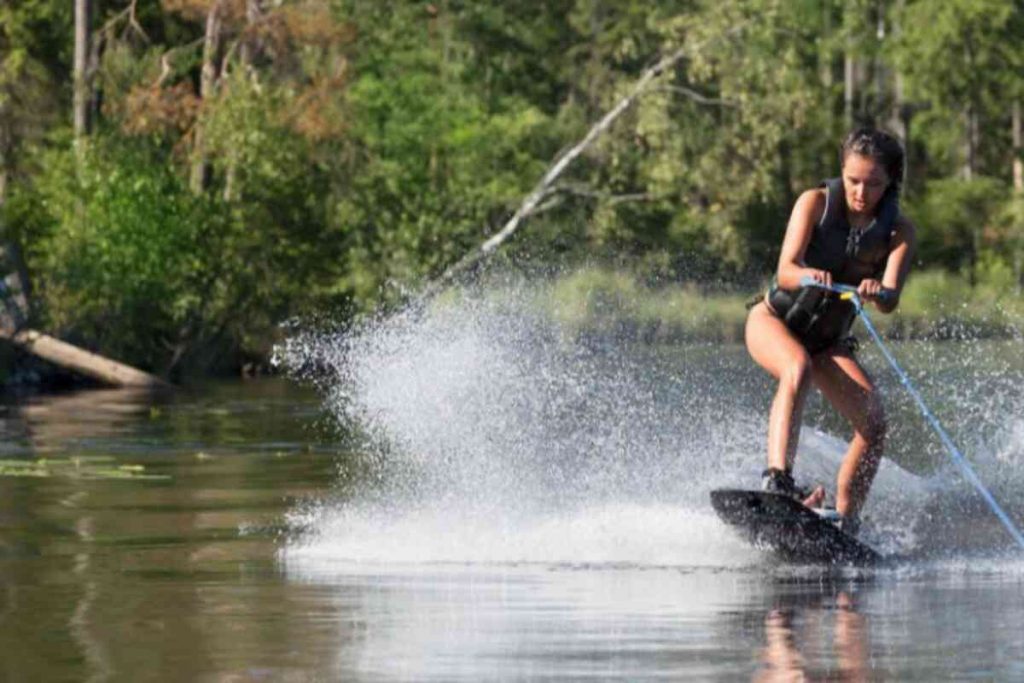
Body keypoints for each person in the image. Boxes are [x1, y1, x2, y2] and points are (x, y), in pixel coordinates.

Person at [745, 127, 916, 535]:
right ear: (842, 172)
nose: (861, 192)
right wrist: (807, 275)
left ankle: (844, 522)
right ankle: (778, 480)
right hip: (774, 322)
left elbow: (891, 299)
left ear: (890, 182)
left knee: (874, 423)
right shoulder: (814, 203)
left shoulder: (898, 234)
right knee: (796, 367)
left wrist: (879, 292)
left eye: (873, 184)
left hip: (828, 342)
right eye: (854, 180)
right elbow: (786, 271)